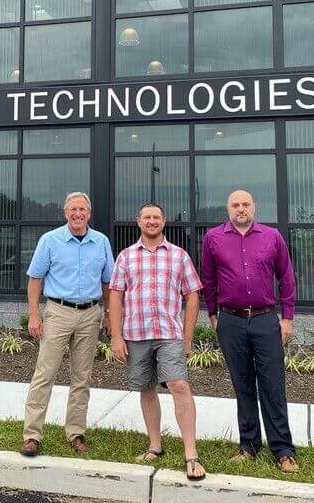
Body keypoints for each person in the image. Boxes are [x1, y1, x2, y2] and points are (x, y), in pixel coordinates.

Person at [199, 189, 299, 473]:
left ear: (254, 207)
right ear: (227, 209)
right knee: (242, 385)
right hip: (231, 321)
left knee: (273, 386)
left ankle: (283, 449)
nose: (240, 209)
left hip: (266, 320)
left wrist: (288, 318)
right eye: (235, 205)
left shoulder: (272, 237)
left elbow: (287, 277)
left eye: (245, 204)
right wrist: (213, 314)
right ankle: (248, 446)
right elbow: (208, 278)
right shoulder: (213, 239)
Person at [108, 203, 206, 481]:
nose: (152, 221)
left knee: (179, 385)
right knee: (147, 388)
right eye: (147, 217)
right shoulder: (126, 257)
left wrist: (187, 337)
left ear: (164, 222)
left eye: (157, 217)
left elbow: (193, 294)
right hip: (136, 333)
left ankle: (191, 453)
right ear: (138, 222)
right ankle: (155, 446)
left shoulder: (179, 256)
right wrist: (116, 336)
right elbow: (116, 295)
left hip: (168, 333)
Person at [20, 191, 115, 457]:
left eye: (82, 209)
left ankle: (76, 433)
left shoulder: (101, 242)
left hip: (90, 314)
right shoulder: (50, 241)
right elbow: (35, 279)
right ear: (65, 213)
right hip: (58, 312)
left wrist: (108, 314)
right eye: (73, 209)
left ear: (89, 213)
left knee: (82, 377)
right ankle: (32, 435)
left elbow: (108, 283)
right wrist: (34, 314)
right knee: (44, 374)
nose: (77, 214)